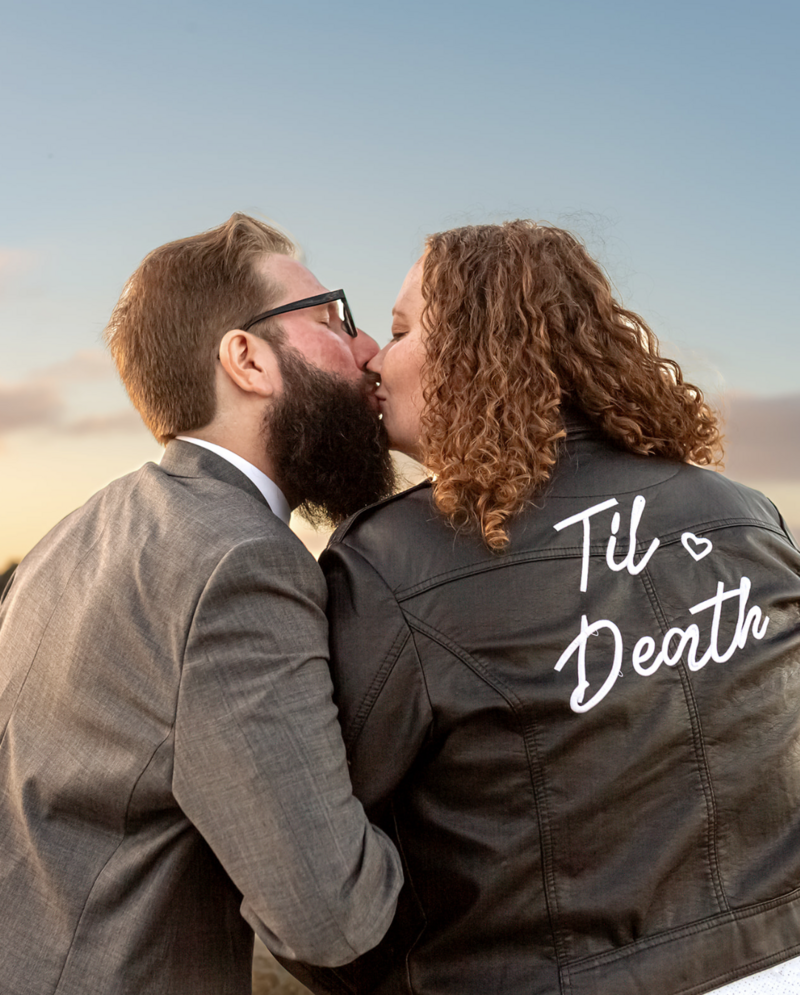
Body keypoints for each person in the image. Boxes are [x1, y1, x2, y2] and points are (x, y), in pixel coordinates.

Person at [285, 221, 800, 995]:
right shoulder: (746, 514)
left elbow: (318, 858)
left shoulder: (392, 559)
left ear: (478, 346)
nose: (375, 358)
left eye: (399, 330)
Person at [0, 214, 403, 995]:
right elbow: (330, 917)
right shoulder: (239, 562)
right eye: (330, 319)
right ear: (248, 359)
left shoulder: (77, 531)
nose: (366, 351)